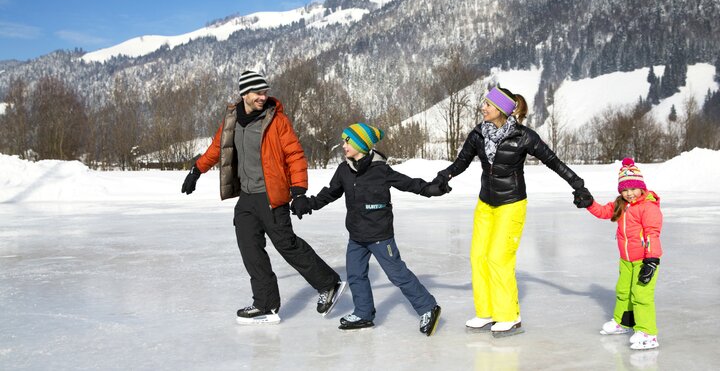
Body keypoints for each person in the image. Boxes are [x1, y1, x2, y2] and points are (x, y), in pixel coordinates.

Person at [180, 69, 345, 325]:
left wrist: (299, 191)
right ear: (244, 94)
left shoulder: (276, 120)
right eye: (258, 92)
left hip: (271, 195)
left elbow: (295, 155)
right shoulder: (232, 119)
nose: (263, 96)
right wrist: (196, 170)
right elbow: (217, 148)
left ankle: (329, 283)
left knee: (286, 244)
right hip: (246, 197)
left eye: (265, 91)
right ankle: (266, 304)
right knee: (249, 247)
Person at [432, 85, 592, 337]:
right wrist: (444, 176)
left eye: (488, 104)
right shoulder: (478, 134)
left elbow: (553, 161)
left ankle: (509, 316)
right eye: (484, 103)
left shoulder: (523, 136)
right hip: (485, 203)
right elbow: (461, 162)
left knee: (499, 257)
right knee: (478, 257)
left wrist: (578, 185)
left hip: (512, 203)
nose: (482, 108)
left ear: (502, 110)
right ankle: (486, 312)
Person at [292, 123, 446, 336]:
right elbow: (330, 193)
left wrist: (431, 189)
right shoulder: (344, 169)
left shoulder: (380, 170)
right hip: (356, 235)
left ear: (360, 144)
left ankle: (428, 307)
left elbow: (409, 184)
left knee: (398, 274)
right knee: (355, 275)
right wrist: (308, 203)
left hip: (380, 235)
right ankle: (364, 313)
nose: (343, 144)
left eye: (347, 141)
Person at [576, 158, 663, 350]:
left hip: (644, 260)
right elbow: (602, 212)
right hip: (626, 260)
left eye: (633, 189)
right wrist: (589, 203)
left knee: (641, 295)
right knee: (623, 291)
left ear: (641, 188)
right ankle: (624, 322)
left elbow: (652, 234)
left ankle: (648, 333)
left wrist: (651, 260)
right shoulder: (621, 205)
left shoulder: (648, 207)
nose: (629, 193)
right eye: (625, 189)